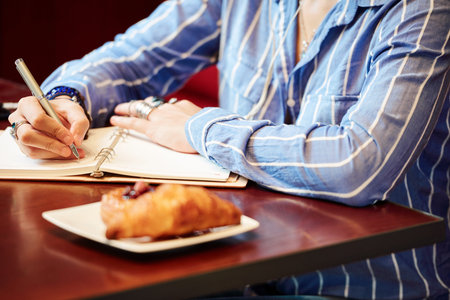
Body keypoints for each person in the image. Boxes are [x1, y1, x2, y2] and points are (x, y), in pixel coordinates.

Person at [8, 0, 449, 299]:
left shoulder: (425, 12)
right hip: (234, 271)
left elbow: (359, 163)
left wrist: (200, 127)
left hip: (362, 288)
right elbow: (130, 58)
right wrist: (65, 97)